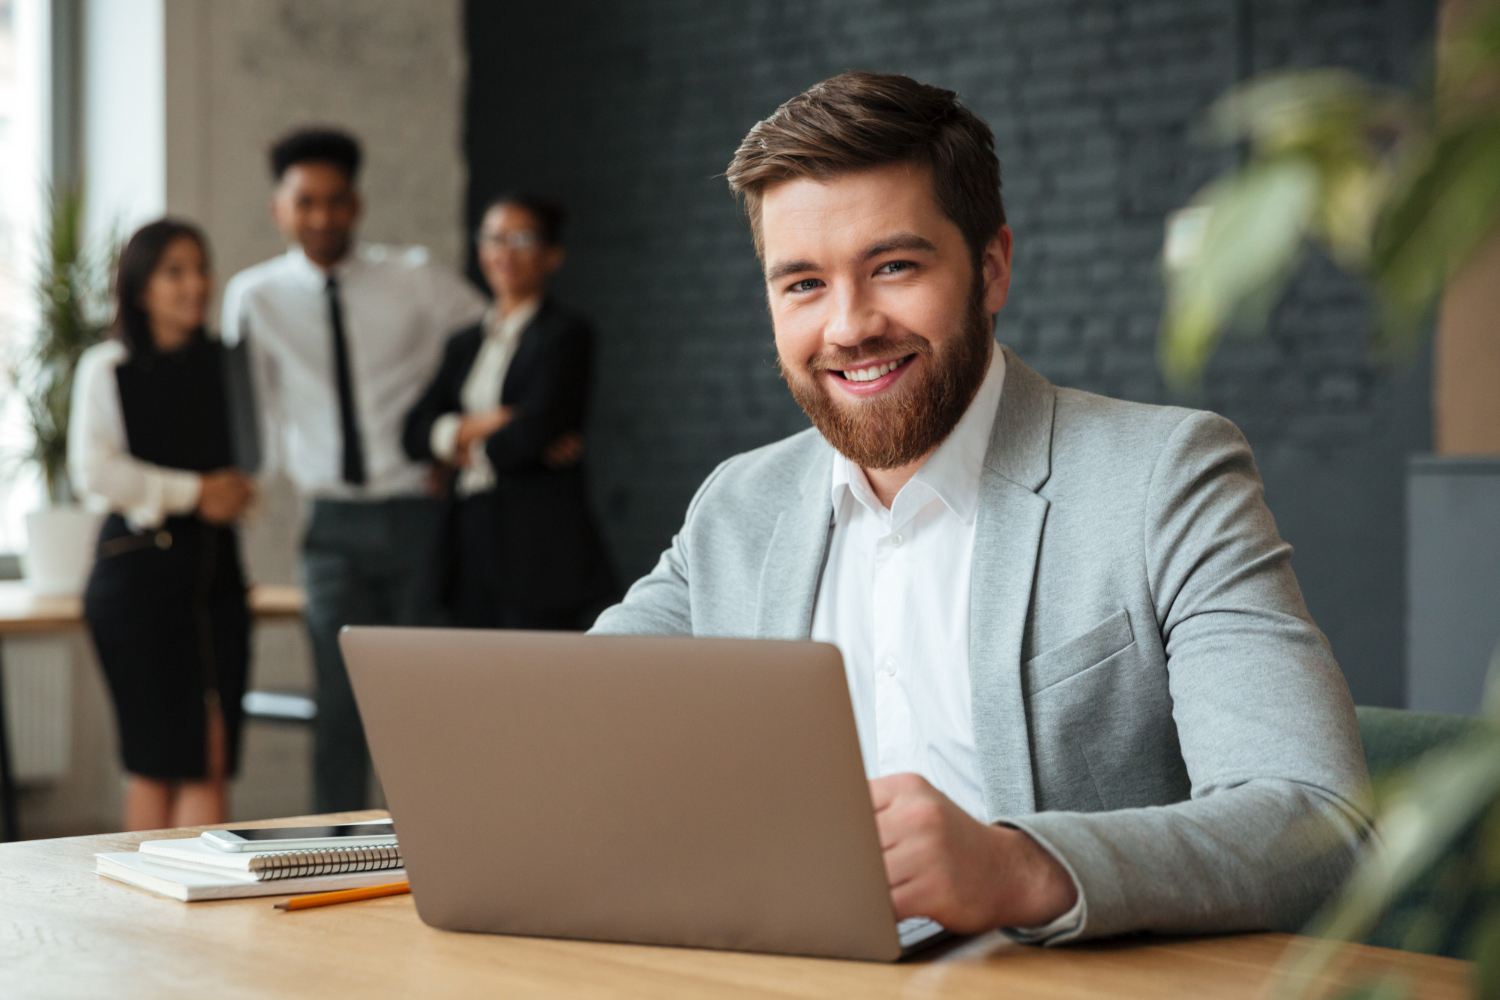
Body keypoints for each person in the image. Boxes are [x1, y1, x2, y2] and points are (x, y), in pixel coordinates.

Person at [591, 72, 1373, 942]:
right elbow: (568, 725)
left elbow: (1318, 826)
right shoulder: (738, 506)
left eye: (893, 267)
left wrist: (1016, 868)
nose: (849, 326)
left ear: (991, 268)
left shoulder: (1165, 478)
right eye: (803, 284)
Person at [220, 128, 488, 813]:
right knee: (337, 709)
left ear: (358, 204)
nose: (321, 217)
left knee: (423, 702)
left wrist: (453, 440)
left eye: (336, 201)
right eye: (306, 202)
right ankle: (332, 859)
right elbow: (250, 414)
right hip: (329, 524)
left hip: (416, 515)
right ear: (280, 208)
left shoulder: (415, 277)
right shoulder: (255, 297)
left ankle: (440, 850)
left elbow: (492, 342)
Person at [71, 220, 254, 831]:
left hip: (216, 574)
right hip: (139, 578)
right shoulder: (109, 365)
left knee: (211, 754)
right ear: (140, 285)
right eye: (175, 271)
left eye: (201, 268)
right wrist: (193, 492)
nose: (195, 284)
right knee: (156, 758)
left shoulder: (225, 364)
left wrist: (237, 491)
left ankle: (201, 917)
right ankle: (142, 917)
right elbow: (93, 469)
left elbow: (254, 459)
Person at [402, 195, 616, 630]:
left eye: (522, 239)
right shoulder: (463, 343)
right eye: (494, 238)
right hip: (468, 539)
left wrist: (457, 450)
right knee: (470, 683)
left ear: (552, 255)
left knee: (540, 686)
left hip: (539, 546)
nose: (504, 252)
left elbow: (529, 435)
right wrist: (485, 425)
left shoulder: (566, 335)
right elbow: (410, 434)